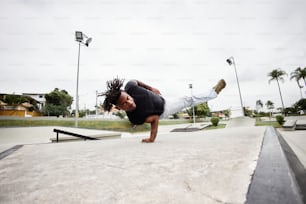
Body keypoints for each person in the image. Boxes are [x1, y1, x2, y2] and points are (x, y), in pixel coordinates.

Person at [102, 78, 226, 143]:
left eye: (128, 98)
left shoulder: (130, 86)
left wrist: (151, 88)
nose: (129, 102)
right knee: (187, 99)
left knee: (185, 98)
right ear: (119, 108)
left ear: (127, 93)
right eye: (124, 104)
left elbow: (136, 81)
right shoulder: (135, 117)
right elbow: (154, 119)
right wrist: (151, 139)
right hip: (164, 109)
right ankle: (213, 92)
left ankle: (211, 93)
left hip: (161, 98)